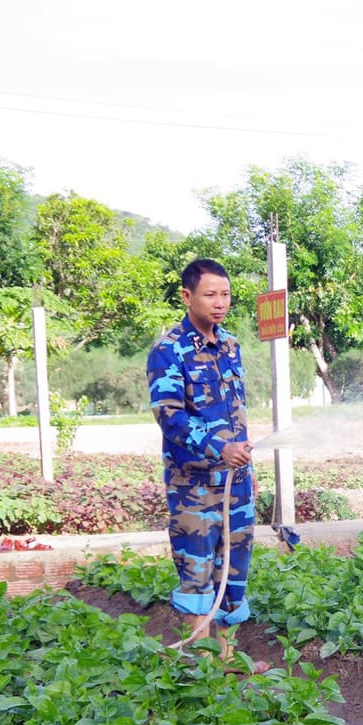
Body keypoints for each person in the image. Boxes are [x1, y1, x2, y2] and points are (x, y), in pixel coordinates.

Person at [146, 258, 267, 671]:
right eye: (210, 295)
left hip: (236, 482)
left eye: (226, 295)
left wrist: (239, 457)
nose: (220, 303)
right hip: (193, 487)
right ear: (187, 296)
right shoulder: (168, 351)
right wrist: (218, 447)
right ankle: (201, 667)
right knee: (198, 571)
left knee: (234, 567)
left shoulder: (231, 346)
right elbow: (170, 416)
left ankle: (228, 661)